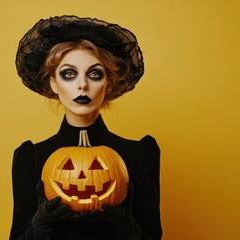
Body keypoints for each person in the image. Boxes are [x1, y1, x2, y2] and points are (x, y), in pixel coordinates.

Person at [10, 15, 162, 240]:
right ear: (53, 82)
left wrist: (126, 226)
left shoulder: (140, 154)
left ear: (108, 82)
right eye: (69, 74)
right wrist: (39, 225)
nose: (83, 84)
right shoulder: (30, 157)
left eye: (94, 74)